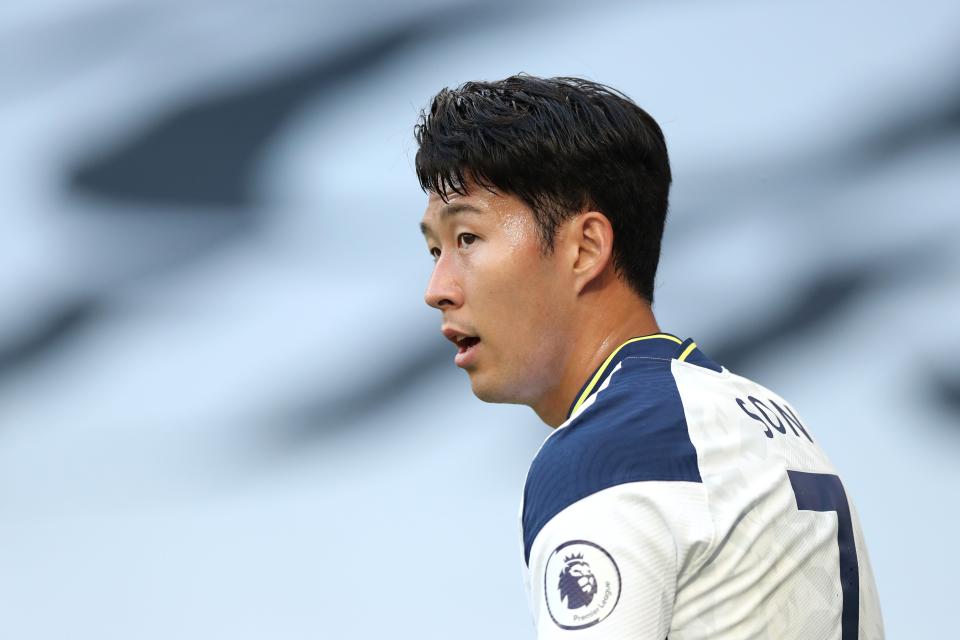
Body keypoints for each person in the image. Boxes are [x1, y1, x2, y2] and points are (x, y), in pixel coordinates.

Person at [414, 74, 883, 639]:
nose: (437, 287)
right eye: (436, 249)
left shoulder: (608, 452)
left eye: (467, 238)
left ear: (585, 248)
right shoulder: (768, 416)